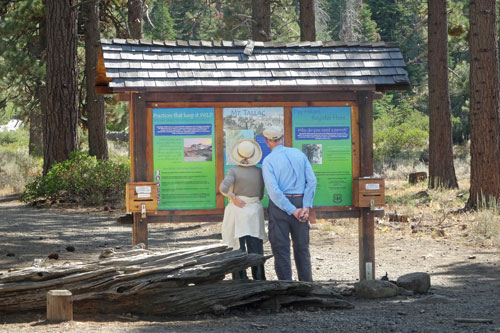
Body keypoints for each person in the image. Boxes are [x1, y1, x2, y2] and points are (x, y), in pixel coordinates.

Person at [262, 126, 317, 282]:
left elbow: (274, 191)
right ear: (282, 137)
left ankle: (287, 285)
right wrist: (305, 207)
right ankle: (307, 285)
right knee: (302, 248)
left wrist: (292, 210)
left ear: (267, 141)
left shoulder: (268, 161)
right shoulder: (299, 154)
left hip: (280, 207)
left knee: (281, 248)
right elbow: (312, 181)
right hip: (301, 202)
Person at [219, 139, 267, 280]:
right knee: (256, 247)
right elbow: (261, 193)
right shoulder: (259, 171)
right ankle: (259, 278)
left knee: (238, 247)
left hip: (238, 211)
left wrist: (232, 196)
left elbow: (223, 188)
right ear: (253, 155)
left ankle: (239, 279)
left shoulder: (234, 171)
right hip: (255, 212)